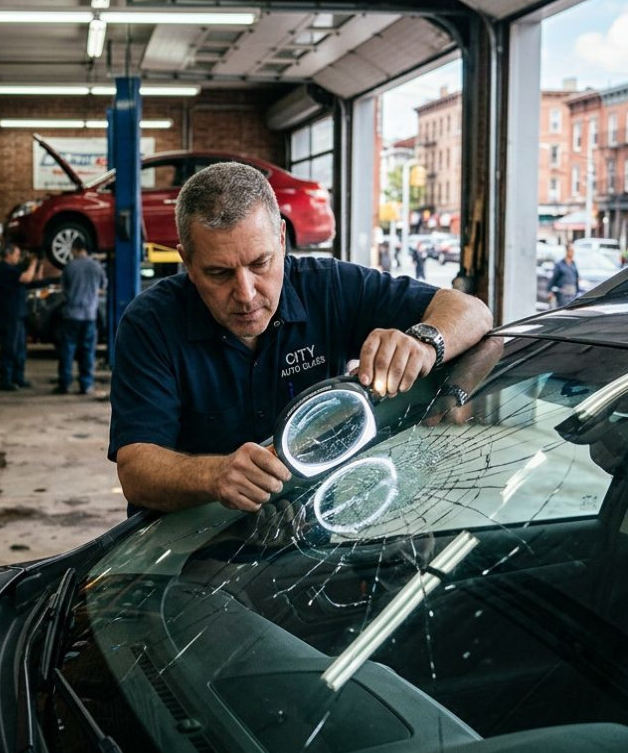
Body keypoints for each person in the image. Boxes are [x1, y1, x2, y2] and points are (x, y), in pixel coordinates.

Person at [109, 162, 493, 515]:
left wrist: (425, 342)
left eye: (260, 264)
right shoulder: (150, 323)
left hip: (313, 527)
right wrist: (214, 475)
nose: (245, 293)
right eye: (219, 273)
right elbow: (136, 470)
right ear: (187, 263)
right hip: (189, 546)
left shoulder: (329, 287)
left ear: (281, 239)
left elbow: (472, 312)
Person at [55, 241, 107, 395]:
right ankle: (86, 385)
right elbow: (103, 286)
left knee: (67, 350)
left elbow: (63, 289)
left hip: (71, 314)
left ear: (75, 249)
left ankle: (64, 384)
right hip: (90, 315)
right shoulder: (96, 267)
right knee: (87, 351)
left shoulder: (69, 267)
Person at [0, 243, 41, 391]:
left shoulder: (13, 269)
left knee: (20, 348)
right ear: (8, 254)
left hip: (18, 315)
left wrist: (37, 265)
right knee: (9, 347)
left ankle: (18, 378)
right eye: (17, 254)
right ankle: (5, 380)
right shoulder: (5, 269)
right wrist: (33, 263)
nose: (19, 257)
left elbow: (33, 278)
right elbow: (27, 278)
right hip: (9, 315)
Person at [548, 244, 580, 308]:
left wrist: (577, 291)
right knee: (564, 309)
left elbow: (576, 277)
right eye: (571, 251)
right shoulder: (560, 264)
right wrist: (550, 290)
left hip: (572, 292)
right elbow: (554, 278)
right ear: (567, 251)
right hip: (562, 293)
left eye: (573, 251)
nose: (572, 253)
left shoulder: (574, 264)